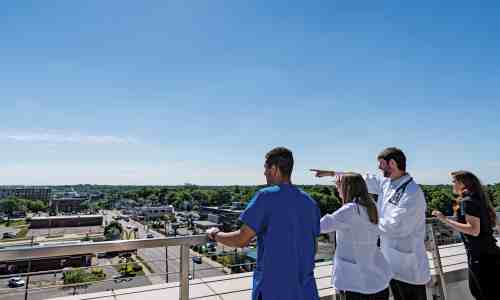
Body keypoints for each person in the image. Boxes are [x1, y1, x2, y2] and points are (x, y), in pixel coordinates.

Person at [311, 147, 430, 300]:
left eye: (381, 163)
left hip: (408, 267)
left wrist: (361, 221)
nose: (379, 167)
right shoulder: (388, 183)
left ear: (392, 163)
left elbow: (396, 227)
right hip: (389, 266)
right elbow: (361, 180)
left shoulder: (412, 193)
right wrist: (333, 174)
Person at [207, 147, 321, 300]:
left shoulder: (265, 196)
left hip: (274, 289)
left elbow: (242, 239)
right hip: (306, 290)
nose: (264, 173)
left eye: (266, 168)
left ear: (274, 169)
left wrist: (216, 235)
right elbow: (313, 246)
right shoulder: (309, 202)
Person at [317, 172, 392, 300]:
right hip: (377, 281)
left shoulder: (350, 210)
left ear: (347, 188)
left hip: (356, 285)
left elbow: (320, 226)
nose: (337, 189)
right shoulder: (372, 207)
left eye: (339, 185)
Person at [432, 171, 500, 300]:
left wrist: (445, 220)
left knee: (482, 294)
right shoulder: (477, 200)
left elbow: (474, 230)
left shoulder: (467, 202)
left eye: (454, 181)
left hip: (482, 258)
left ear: (463, 183)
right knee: (478, 292)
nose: (452, 184)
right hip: (487, 255)